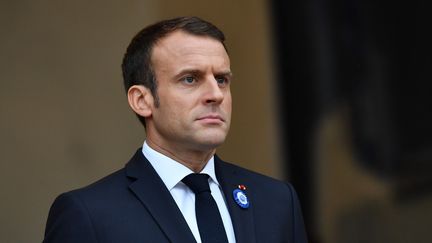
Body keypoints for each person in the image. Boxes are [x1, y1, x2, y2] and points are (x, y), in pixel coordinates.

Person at [43, 16, 308, 243]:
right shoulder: (89, 214)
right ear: (142, 100)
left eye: (222, 79)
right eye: (190, 79)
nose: (215, 94)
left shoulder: (277, 201)